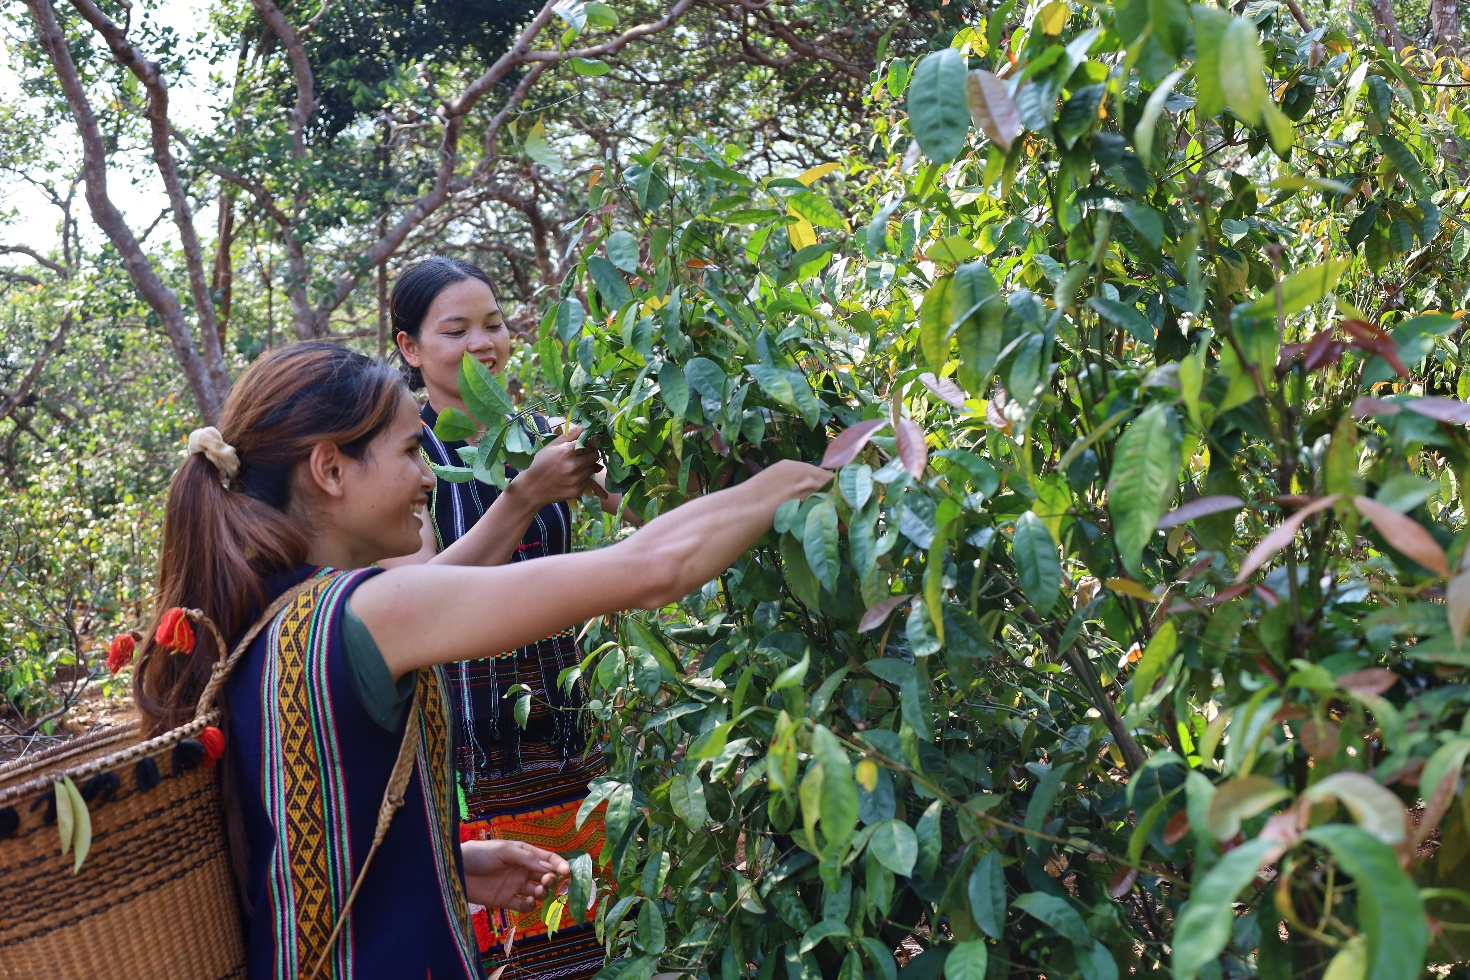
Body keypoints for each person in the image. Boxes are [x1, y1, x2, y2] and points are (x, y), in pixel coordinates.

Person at [129, 341, 829, 980]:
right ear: (331, 468)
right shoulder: (362, 611)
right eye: (410, 452)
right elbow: (652, 569)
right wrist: (804, 479)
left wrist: (447, 866)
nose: (429, 477)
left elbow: (293, 836)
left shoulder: (261, 620)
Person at [386, 257, 623, 978]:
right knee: (514, 949)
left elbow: (643, 509)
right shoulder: (406, 456)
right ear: (410, 348)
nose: (483, 343)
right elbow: (422, 594)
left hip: (573, 724)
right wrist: (522, 495)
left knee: (601, 933)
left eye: (493, 324)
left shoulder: (546, 434)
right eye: (455, 330)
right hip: (472, 747)